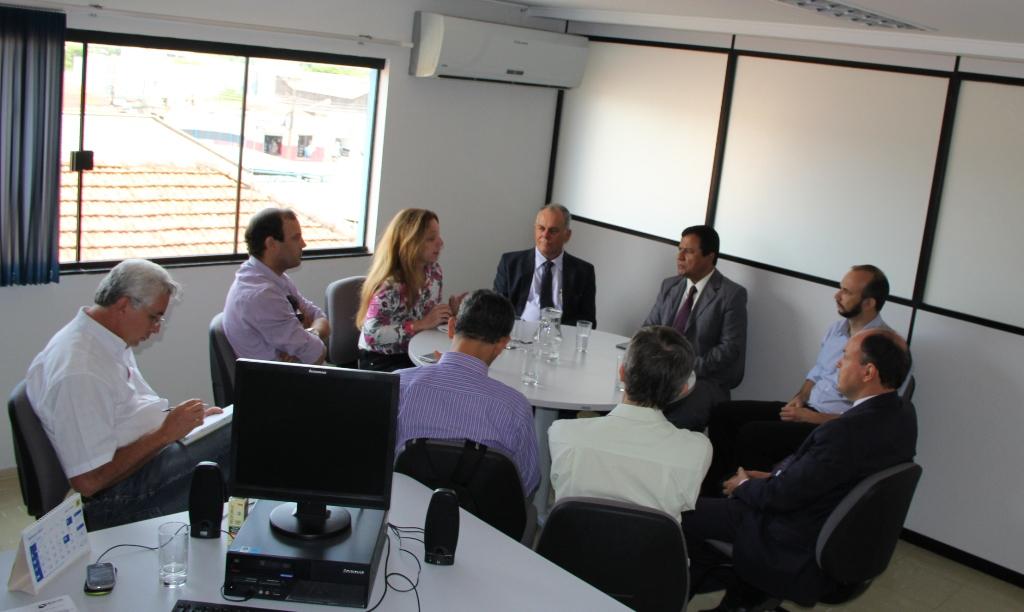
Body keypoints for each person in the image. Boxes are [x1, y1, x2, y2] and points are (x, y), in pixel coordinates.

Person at [683, 329, 916, 610]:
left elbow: (781, 498)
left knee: (681, 513)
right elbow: (827, 478)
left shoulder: (845, 432)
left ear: (868, 372)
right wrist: (772, 477)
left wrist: (744, 485)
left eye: (845, 357)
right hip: (821, 521)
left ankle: (706, 597)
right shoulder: (902, 417)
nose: (837, 364)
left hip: (788, 533)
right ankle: (742, 598)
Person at [25, 260, 229, 530]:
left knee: (232, 426)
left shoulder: (104, 339)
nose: (157, 327)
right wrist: (166, 433)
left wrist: (182, 422)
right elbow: (89, 481)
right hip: (114, 500)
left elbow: (130, 413)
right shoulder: (81, 371)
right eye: (153, 317)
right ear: (123, 305)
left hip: (145, 462)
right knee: (240, 439)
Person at [704, 265, 895, 492]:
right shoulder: (837, 329)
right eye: (840, 288)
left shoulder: (883, 349)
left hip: (830, 426)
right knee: (723, 414)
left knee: (752, 435)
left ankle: (748, 500)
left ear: (869, 303)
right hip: (806, 409)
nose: (837, 295)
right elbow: (817, 372)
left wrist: (810, 417)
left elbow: (865, 419)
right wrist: (800, 397)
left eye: (847, 292)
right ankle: (717, 489)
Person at [548, 326, 711, 519]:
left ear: (622, 373)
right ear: (682, 390)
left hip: (572, 547)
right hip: (649, 548)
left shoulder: (563, 434)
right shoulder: (696, 450)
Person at [394, 290, 540, 496]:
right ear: (502, 344)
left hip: (404, 510)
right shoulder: (515, 407)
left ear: (451, 327)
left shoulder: (400, 383)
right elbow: (526, 482)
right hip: (483, 520)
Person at [643, 225, 747, 431]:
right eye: (679, 249)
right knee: (630, 408)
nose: (679, 256)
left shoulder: (731, 295)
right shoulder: (669, 286)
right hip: (662, 374)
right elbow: (649, 328)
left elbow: (729, 349)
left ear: (710, 256)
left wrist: (685, 368)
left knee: (673, 424)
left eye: (688, 251)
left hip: (704, 380)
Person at [357, 208, 460, 372]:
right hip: (382, 359)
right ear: (410, 243)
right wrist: (420, 324)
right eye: (431, 238)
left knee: (454, 371)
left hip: (415, 348)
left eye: (438, 236)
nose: (440, 243)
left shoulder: (434, 272)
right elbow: (372, 335)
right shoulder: (390, 285)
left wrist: (450, 314)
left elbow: (427, 316)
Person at [222, 208, 330, 364]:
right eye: (296, 238)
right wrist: (310, 338)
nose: (303, 244)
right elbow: (316, 354)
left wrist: (311, 333)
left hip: (293, 378)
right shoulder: (262, 294)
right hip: (281, 385)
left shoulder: (275, 278)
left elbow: (319, 317)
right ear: (271, 243)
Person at [493, 204, 597, 327]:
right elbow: (496, 311)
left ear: (567, 235)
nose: (545, 235)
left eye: (553, 231)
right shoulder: (510, 264)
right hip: (518, 335)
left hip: (561, 338)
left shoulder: (583, 272)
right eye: (541, 228)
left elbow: (588, 321)